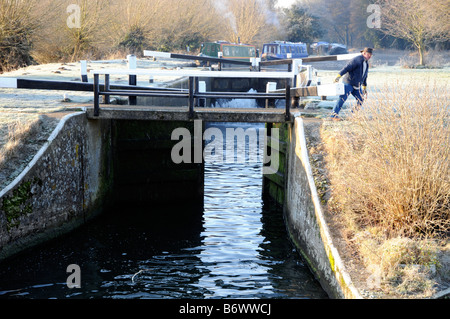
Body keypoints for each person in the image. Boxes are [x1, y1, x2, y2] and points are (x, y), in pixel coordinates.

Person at [331, 47, 373, 120]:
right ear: (364, 53)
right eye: (368, 54)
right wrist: (338, 76)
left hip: (357, 85)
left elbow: (365, 76)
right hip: (348, 83)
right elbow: (346, 68)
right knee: (342, 99)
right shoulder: (357, 60)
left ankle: (353, 115)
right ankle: (333, 115)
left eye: (370, 55)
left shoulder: (366, 62)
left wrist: (364, 87)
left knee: (361, 99)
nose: (369, 56)